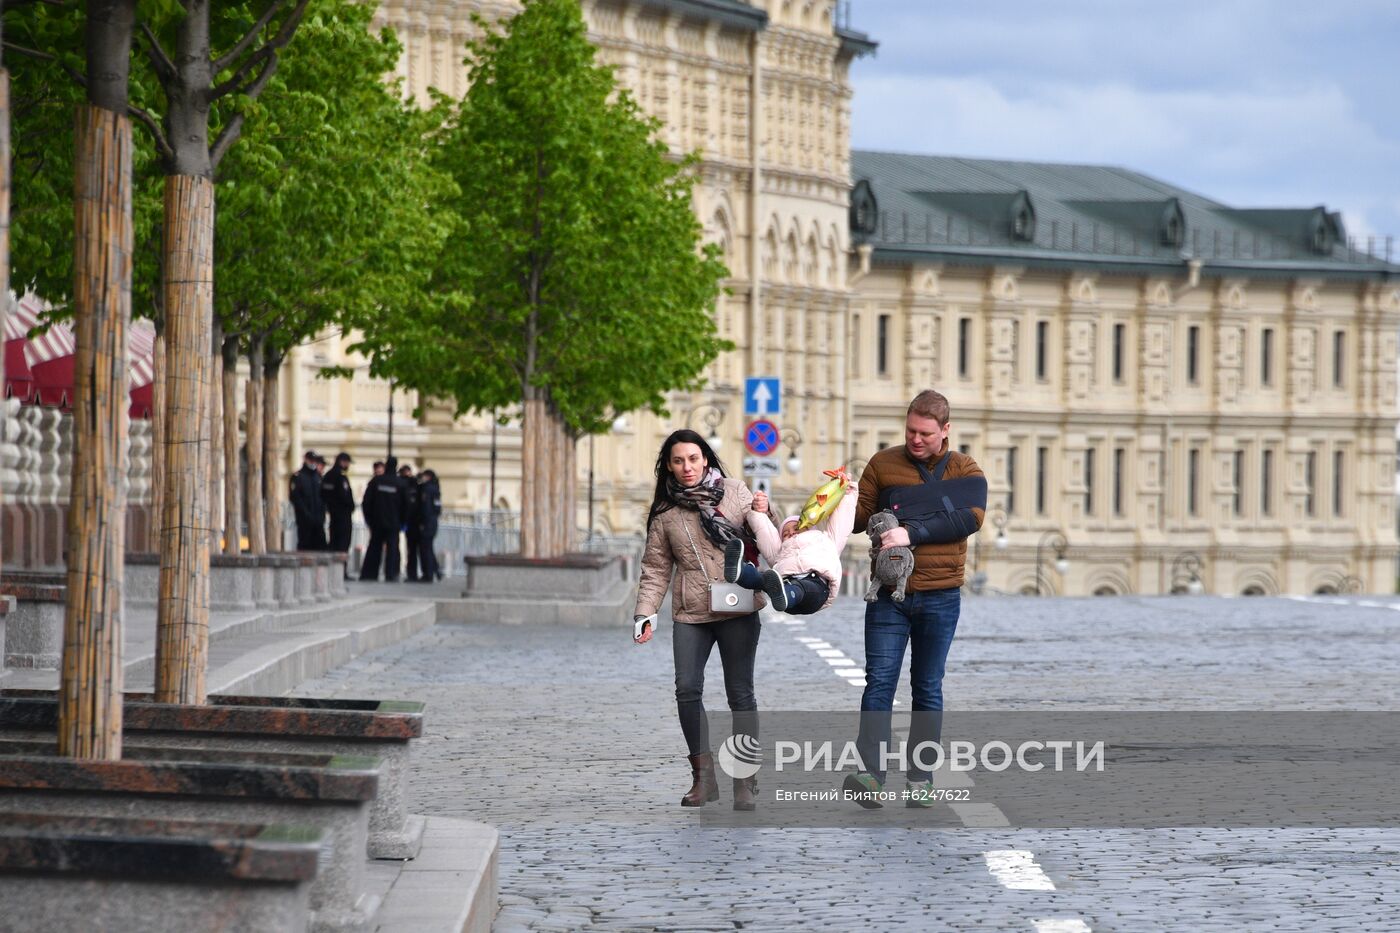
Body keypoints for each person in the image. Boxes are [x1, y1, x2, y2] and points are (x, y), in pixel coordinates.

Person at [846, 389, 986, 808]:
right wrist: (837, 498)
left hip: (941, 596)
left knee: (927, 688)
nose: (916, 440)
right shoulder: (882, 464)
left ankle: (920, 778)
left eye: (925, 433)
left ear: (945, 430)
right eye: (910, 431)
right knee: (879, 684)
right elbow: (858, 520)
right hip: (888, 595)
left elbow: (970, 519)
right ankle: (870, 775)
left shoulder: (965, 469)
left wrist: (912, 531)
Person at [633, 429, 764, 811]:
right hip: (691, 612)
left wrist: (765, 509)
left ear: (705, 459)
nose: (686, 467)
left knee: (740, 692)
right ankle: (703, 779)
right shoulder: (665, 513)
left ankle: (745, 780)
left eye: (693, 459)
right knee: (687, 689)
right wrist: (645, 613)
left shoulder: (735, 491)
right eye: (678, 461)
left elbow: (764, 534)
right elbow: (656, 568)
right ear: (669, 467)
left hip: (737, 604)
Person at [722, 474, 857, 615]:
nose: (791, 533)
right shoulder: (781, 551)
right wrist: (758, 513)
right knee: (766, 579)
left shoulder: (826, 540)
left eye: (797, 528)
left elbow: (842, 520)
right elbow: (765, 531)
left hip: (815, 589)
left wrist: (843, 490)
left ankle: (784, 593)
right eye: (785, 533)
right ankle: (740, 571)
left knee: (799, 587)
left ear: (810, 528)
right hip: (785, 584)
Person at [360, 457, 404, 581]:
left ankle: (369, 574)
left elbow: (366, 502)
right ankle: (391, 574)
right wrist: (403, 521)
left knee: (374, 548)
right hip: (393, 523)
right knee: (393, 549)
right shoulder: (400, 483)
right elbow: (406, 505)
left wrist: (369, 519)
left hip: (377, 522)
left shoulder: (376, 481)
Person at [290, 449, 327, 551]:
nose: (313, 463)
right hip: (304, 521)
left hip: (318, 520)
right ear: (306, 460)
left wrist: (322, 515)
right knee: (305, 546)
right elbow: (296, 498)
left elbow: (323, 498)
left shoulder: (318, 477)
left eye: (314, 461)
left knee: (321, 546)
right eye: (311, 460)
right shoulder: (298, 477)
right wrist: (306, 514)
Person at [322, 452, 355, 554]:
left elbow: (323, 494)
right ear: (342, 462)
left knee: (334, 544)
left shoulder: (328, 475)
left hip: (333, 515)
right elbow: (344, 496)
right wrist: (350, 506)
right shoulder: (340, 476)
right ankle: (341, 569)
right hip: (342, 516)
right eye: (347, 463)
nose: (348, 466)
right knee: (342, 545)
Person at [416, 469, 443, 582]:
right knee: (429, 548)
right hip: (433, 522)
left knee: (425, 549)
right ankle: (436, 570)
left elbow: (425, 509)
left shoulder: (426, 490)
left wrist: (422, 522)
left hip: (427, 523)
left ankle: (428, 574)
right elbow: (437, 508)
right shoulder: (436, 489)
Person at [398, 464, 421, 581]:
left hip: (411, 522)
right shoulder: (415, 485)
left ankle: (412, 574)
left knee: (411, 550)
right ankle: (412, 573)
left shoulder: (409, 485)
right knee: (412, 550)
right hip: (412, 522)